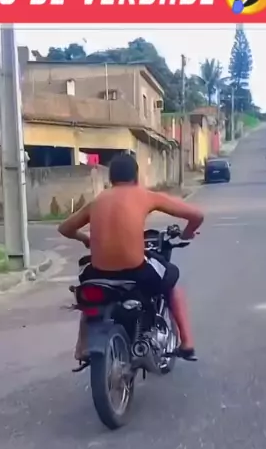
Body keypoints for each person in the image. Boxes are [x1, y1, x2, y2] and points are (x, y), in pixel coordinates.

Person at [58, 153, 204, 367]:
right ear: (136, 177)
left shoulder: (97, 201)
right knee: (172, 280)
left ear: (111, 178)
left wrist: (86, 239)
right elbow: (197, 215)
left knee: (89, 296)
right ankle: (187, 343)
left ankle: (81, 346)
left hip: (98, 273)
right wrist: (186, 234)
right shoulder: (144, 195)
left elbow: (65, 228)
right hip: (136, 271)